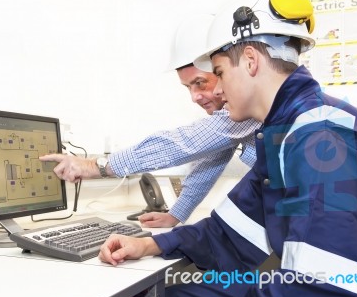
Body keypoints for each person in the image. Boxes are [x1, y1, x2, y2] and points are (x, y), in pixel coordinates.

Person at [98, 0, 357, 297]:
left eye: (219, 73)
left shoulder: (323, 142)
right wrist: (150, 243)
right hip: (309, 291)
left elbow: (321, 290)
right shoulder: (285, 135)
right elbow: (228, 232)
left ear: (250, 61)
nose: (215, 90)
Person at [40, 14, 260, 228]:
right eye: (188, 88)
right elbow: (211, 158)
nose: (194, 97)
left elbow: (184, 143)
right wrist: (176, 214)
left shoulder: (252, 101)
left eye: (201, 83)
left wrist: (94, 166)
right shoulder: (237, 118)